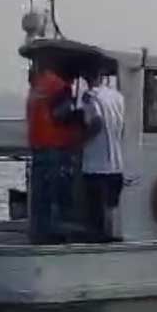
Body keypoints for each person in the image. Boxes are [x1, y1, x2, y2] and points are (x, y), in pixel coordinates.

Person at [26, 59, 83, 244]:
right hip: (56, 148)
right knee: (61, 195)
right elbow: (61, 113)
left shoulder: (37, 86)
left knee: (40, 197)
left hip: (38, 148)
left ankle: (39, 233)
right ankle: (61, 237)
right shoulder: (60, 86)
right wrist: (79, 116)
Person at [78, 67, 126, 242]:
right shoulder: (118, 97)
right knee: (111, 208)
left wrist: (80, 141)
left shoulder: (89, 97)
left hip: (95, 166)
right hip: (117, 165)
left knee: (95, 217)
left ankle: (97, 248)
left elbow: (96, 122)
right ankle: (112, 242)